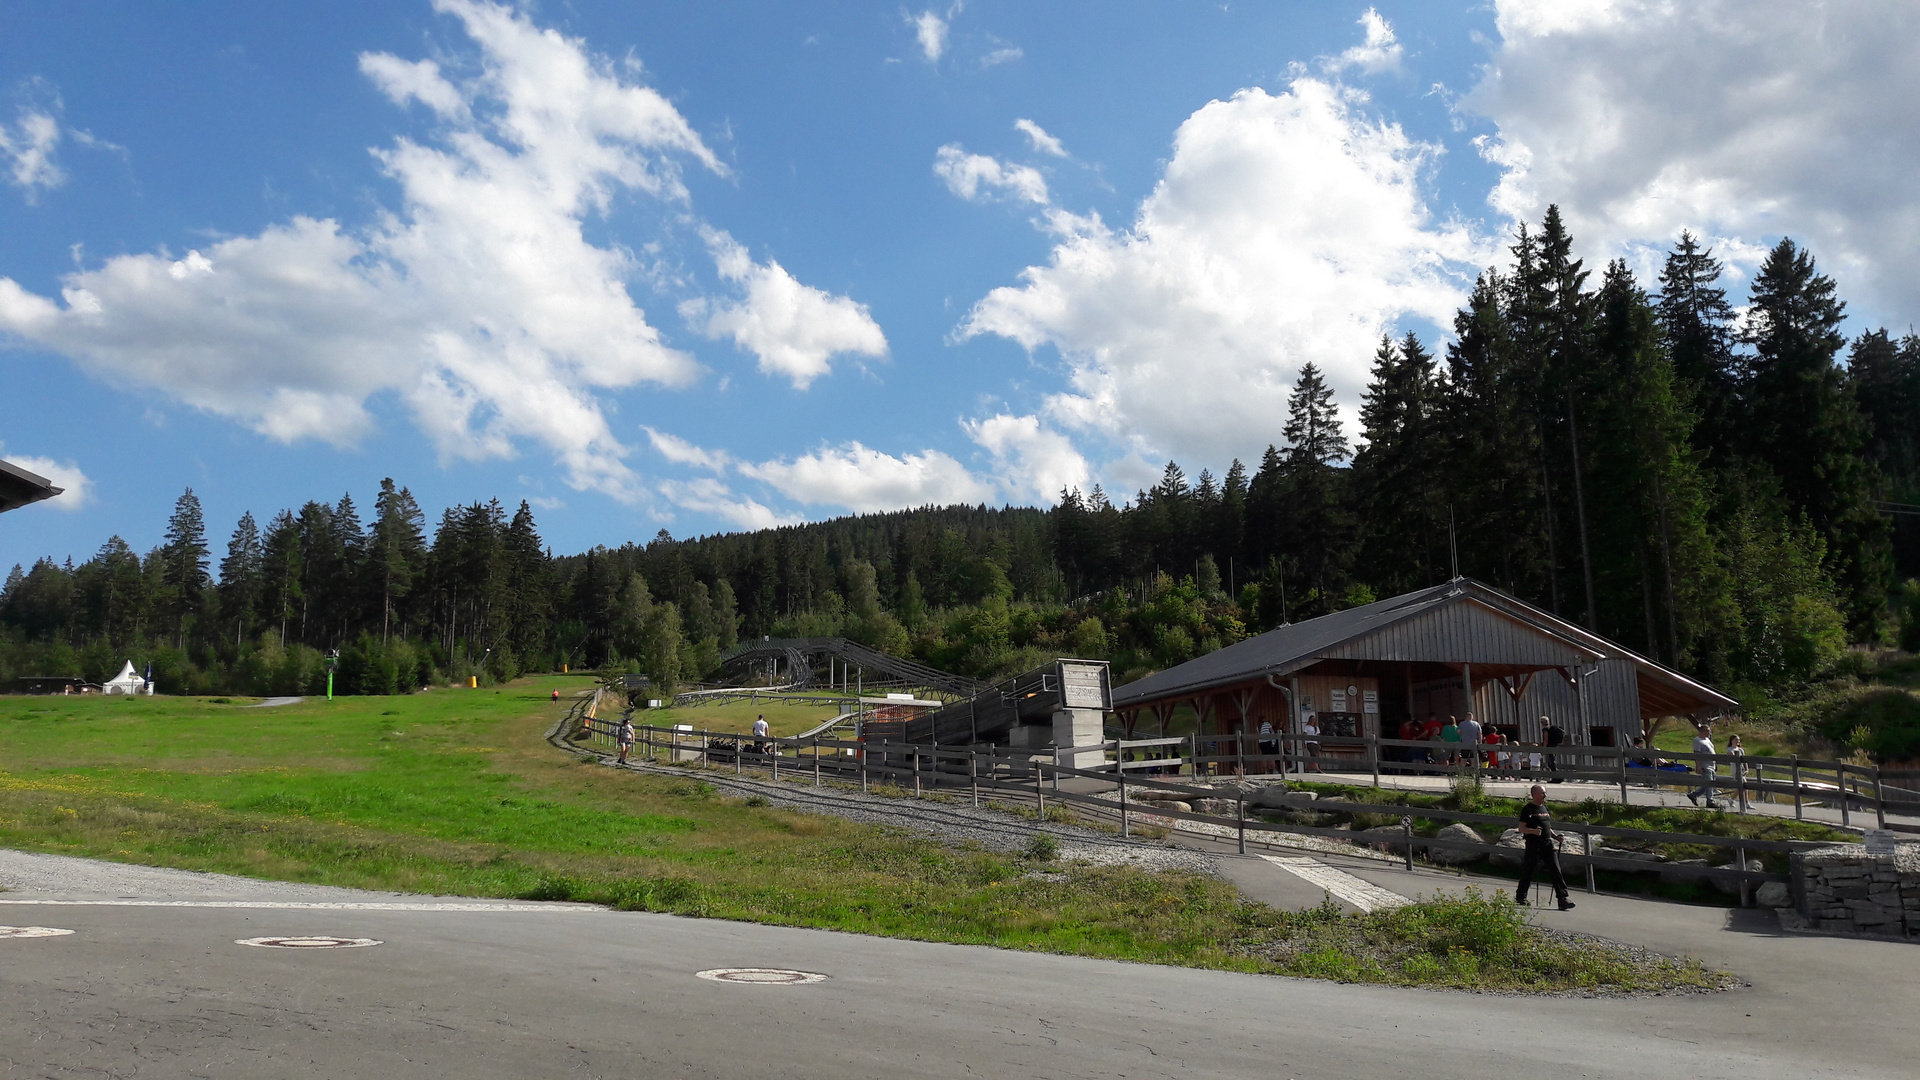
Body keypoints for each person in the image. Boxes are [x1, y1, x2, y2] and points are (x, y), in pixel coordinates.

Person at [1516, 784, 1575, 909]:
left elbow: (1547, 827)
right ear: (1535, 794)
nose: (1545, 795)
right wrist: (1532, 831)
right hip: (1534, 844)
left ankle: (1563, 899)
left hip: (1547, 843)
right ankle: (1521, 896)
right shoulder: (1528, 809)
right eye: (1542, 793)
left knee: (1555, 870)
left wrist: (1555, 837)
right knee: (1529, 870)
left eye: (1545, 793)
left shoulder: (1544, 809)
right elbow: (1521, 828)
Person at [1688, 722, 1721, 808]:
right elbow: (1697, 754)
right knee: (1709, 782)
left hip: (1711, 764)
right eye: (1708, 731)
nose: (1709, 733)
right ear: (1703, 731)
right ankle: (1710, 801)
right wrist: (1698, 765)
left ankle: (1693, 795)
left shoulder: (1707, 740)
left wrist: (1715, 763)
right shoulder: (1697, 740)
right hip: (1705, 765)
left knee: (1708, 784)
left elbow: (1712, 751)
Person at [1727, 734, 1747, 812]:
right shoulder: (1730, 749)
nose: (1738, 741)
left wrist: (1746, 769)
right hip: (1735, 770)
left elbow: (1744, 760)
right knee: (1742, 784)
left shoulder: (1741, 750)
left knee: (1745, 785)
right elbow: (1734, 757)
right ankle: (1732, 798)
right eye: (1736, 740)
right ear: (1732, 741)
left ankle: (1746, 802)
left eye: (1738, 740)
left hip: (1742, 769)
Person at [1542, 717, 1565, 781]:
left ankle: (1557, 777)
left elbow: (1546, 739)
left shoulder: (1545, 729)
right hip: (1554, 746)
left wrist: (1544, 749)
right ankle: (1557, 776)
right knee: (1551, 762)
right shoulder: (1552, 728)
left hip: (1549, 747)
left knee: (1551, 762)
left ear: (1543, 722)